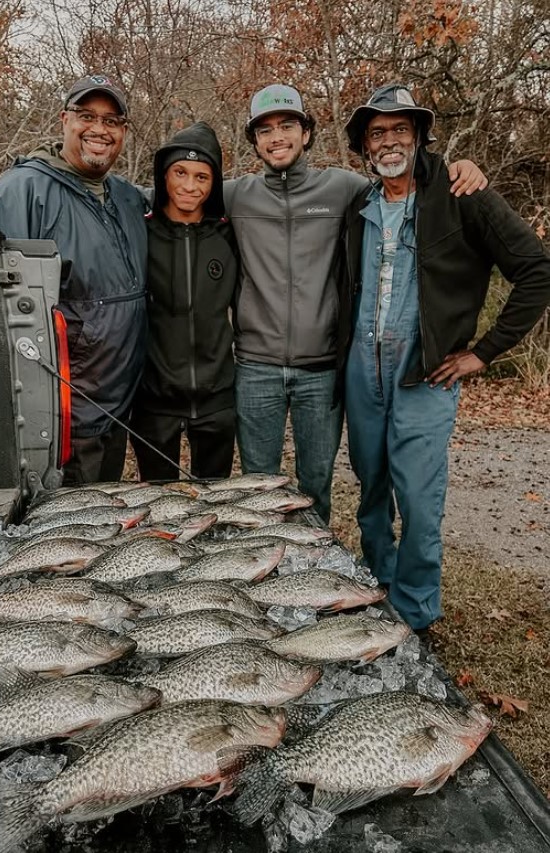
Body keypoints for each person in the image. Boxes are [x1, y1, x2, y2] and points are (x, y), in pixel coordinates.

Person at [223, 84, 485, 524]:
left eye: (287, 125)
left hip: (322, 369)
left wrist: (460, 168)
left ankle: (315, 576)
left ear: (306, 132)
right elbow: (172, 192)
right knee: (256, 485)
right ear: (254, 141)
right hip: (256, 368)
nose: (277, 137)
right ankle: (263, 575)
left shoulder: (344, 188)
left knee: (315, 483)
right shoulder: (236, 195)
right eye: (265, 130)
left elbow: (403, 182)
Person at [342, 83, 550, 633]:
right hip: (363, 369)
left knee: (417, 496)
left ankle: (413, 611)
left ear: (420, 137)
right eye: (377, 133)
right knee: (371, 483)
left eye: (400, 130)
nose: (389, 142)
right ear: (365, 147)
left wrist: (482, 354)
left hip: (425, 373)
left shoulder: (462, 196)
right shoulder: (358, 207)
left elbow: (536, 270)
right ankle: (377, 584)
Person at [0, 74, 148, 485]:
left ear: (122, 131)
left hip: (118, 403)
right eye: (87, 116)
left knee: (107, 518)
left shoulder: (125, 197)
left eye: (112, 120)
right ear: (64, 120)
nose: (99, 130)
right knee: (71, 528)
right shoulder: (23, 191)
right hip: (64, 410)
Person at [130, 122, 238, 480]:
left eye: (202, 177)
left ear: (214, 184)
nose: (190, 186)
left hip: (216, 396)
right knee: (160, 501)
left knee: (212, 500)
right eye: (180, 172)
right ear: (164, 175)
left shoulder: (227, 234)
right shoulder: (140, 233)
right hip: (155, 398)